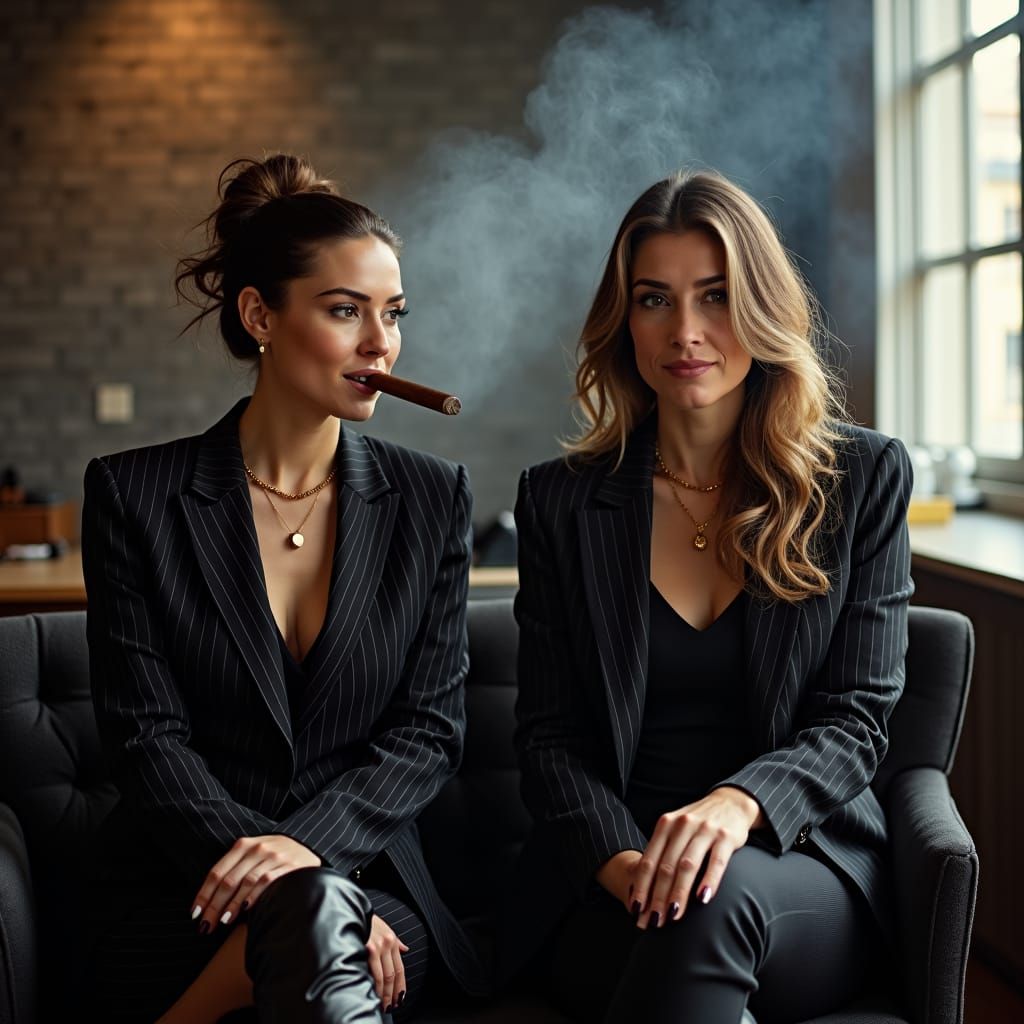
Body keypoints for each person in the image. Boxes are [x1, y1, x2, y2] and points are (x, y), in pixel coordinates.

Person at [81, 154, 483, 1023]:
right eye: (346, 312)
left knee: (317, 925)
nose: (382, 343)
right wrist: (298, 884)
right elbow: (146, 739)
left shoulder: (433, 498)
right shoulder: (134, 495)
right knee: (313, 929)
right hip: (188, 886)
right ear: (261, 314)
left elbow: (428, 732)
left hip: (372, 881)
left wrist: (314, 864)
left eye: (394, 315)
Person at [505, 170, 913, 1023]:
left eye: (717, 297)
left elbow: (856, 719)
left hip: (796, 867)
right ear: (624, 321)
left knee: (711, 907)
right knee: (678, 923)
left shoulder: (861, 477)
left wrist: (737, 806)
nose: (685, 332)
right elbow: (549, 739)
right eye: (655, 299)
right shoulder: (560, 500)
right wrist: (624, 862)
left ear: (762, 308)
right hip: (616, 879)